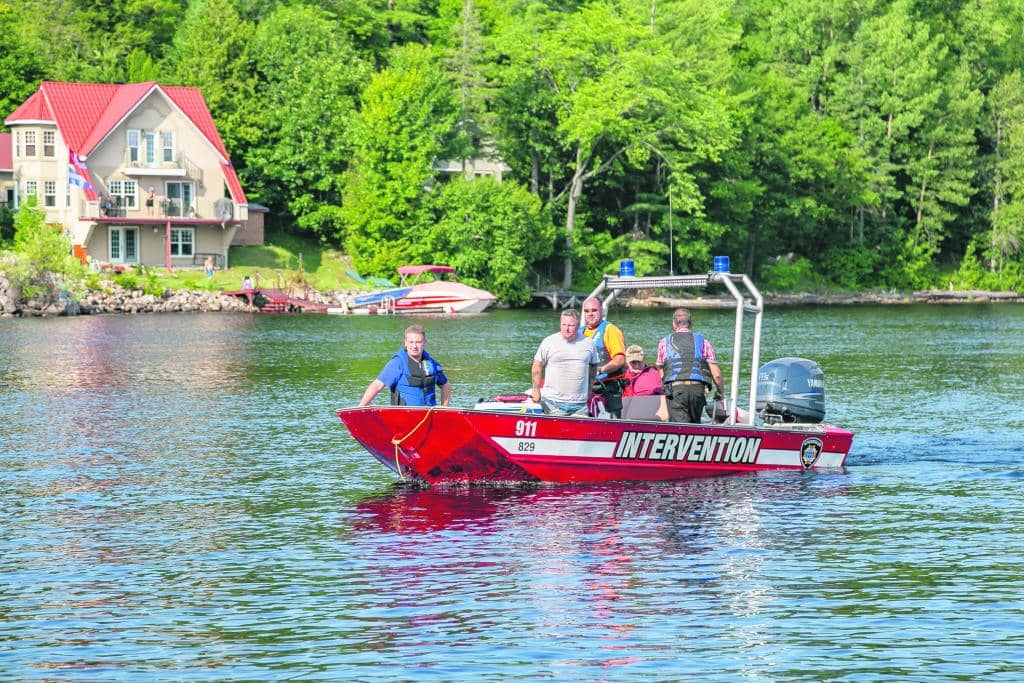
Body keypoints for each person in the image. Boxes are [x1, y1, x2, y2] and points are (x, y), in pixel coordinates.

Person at [656, 308, 726, 423]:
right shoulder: (703, 342)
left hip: (676, 390)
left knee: (680, 428)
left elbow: (661, 370)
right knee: (695, 426)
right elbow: (716, 375)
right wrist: (720, 392)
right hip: (697, 390)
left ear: (674, 324)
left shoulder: (664, 342)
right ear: (691, 324)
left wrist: (665, 389)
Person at [359, 324, 451, 407]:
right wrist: (361, 407)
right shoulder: (397, 363)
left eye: (418, 342)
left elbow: (445, 385)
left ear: (424, 343)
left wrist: (444, 407)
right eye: (411, 342)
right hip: (404, 416)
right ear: (405, 343)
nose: (414, 346)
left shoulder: (431, 363)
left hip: (429, 415)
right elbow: (377, 385)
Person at [530, 309, 599, 416]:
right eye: (563, 325)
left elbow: (594, 366)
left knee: (580, 432)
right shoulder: (549, 342)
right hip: (553, 403)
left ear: (578, 325)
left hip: (579, 405)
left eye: (570, 325)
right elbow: (537, 365)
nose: (566, 329)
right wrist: (536, 390)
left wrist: (589, 390)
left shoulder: (589, 343)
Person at [579, 296, 627, 417]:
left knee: (610, 426)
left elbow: (620, 359)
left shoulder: (610, 330)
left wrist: (599, 370)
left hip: (606, 388)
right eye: (587, 311)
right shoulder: (579, 332)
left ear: (602, 311)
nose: (590, 314)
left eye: (594, 310)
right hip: (583, 388)